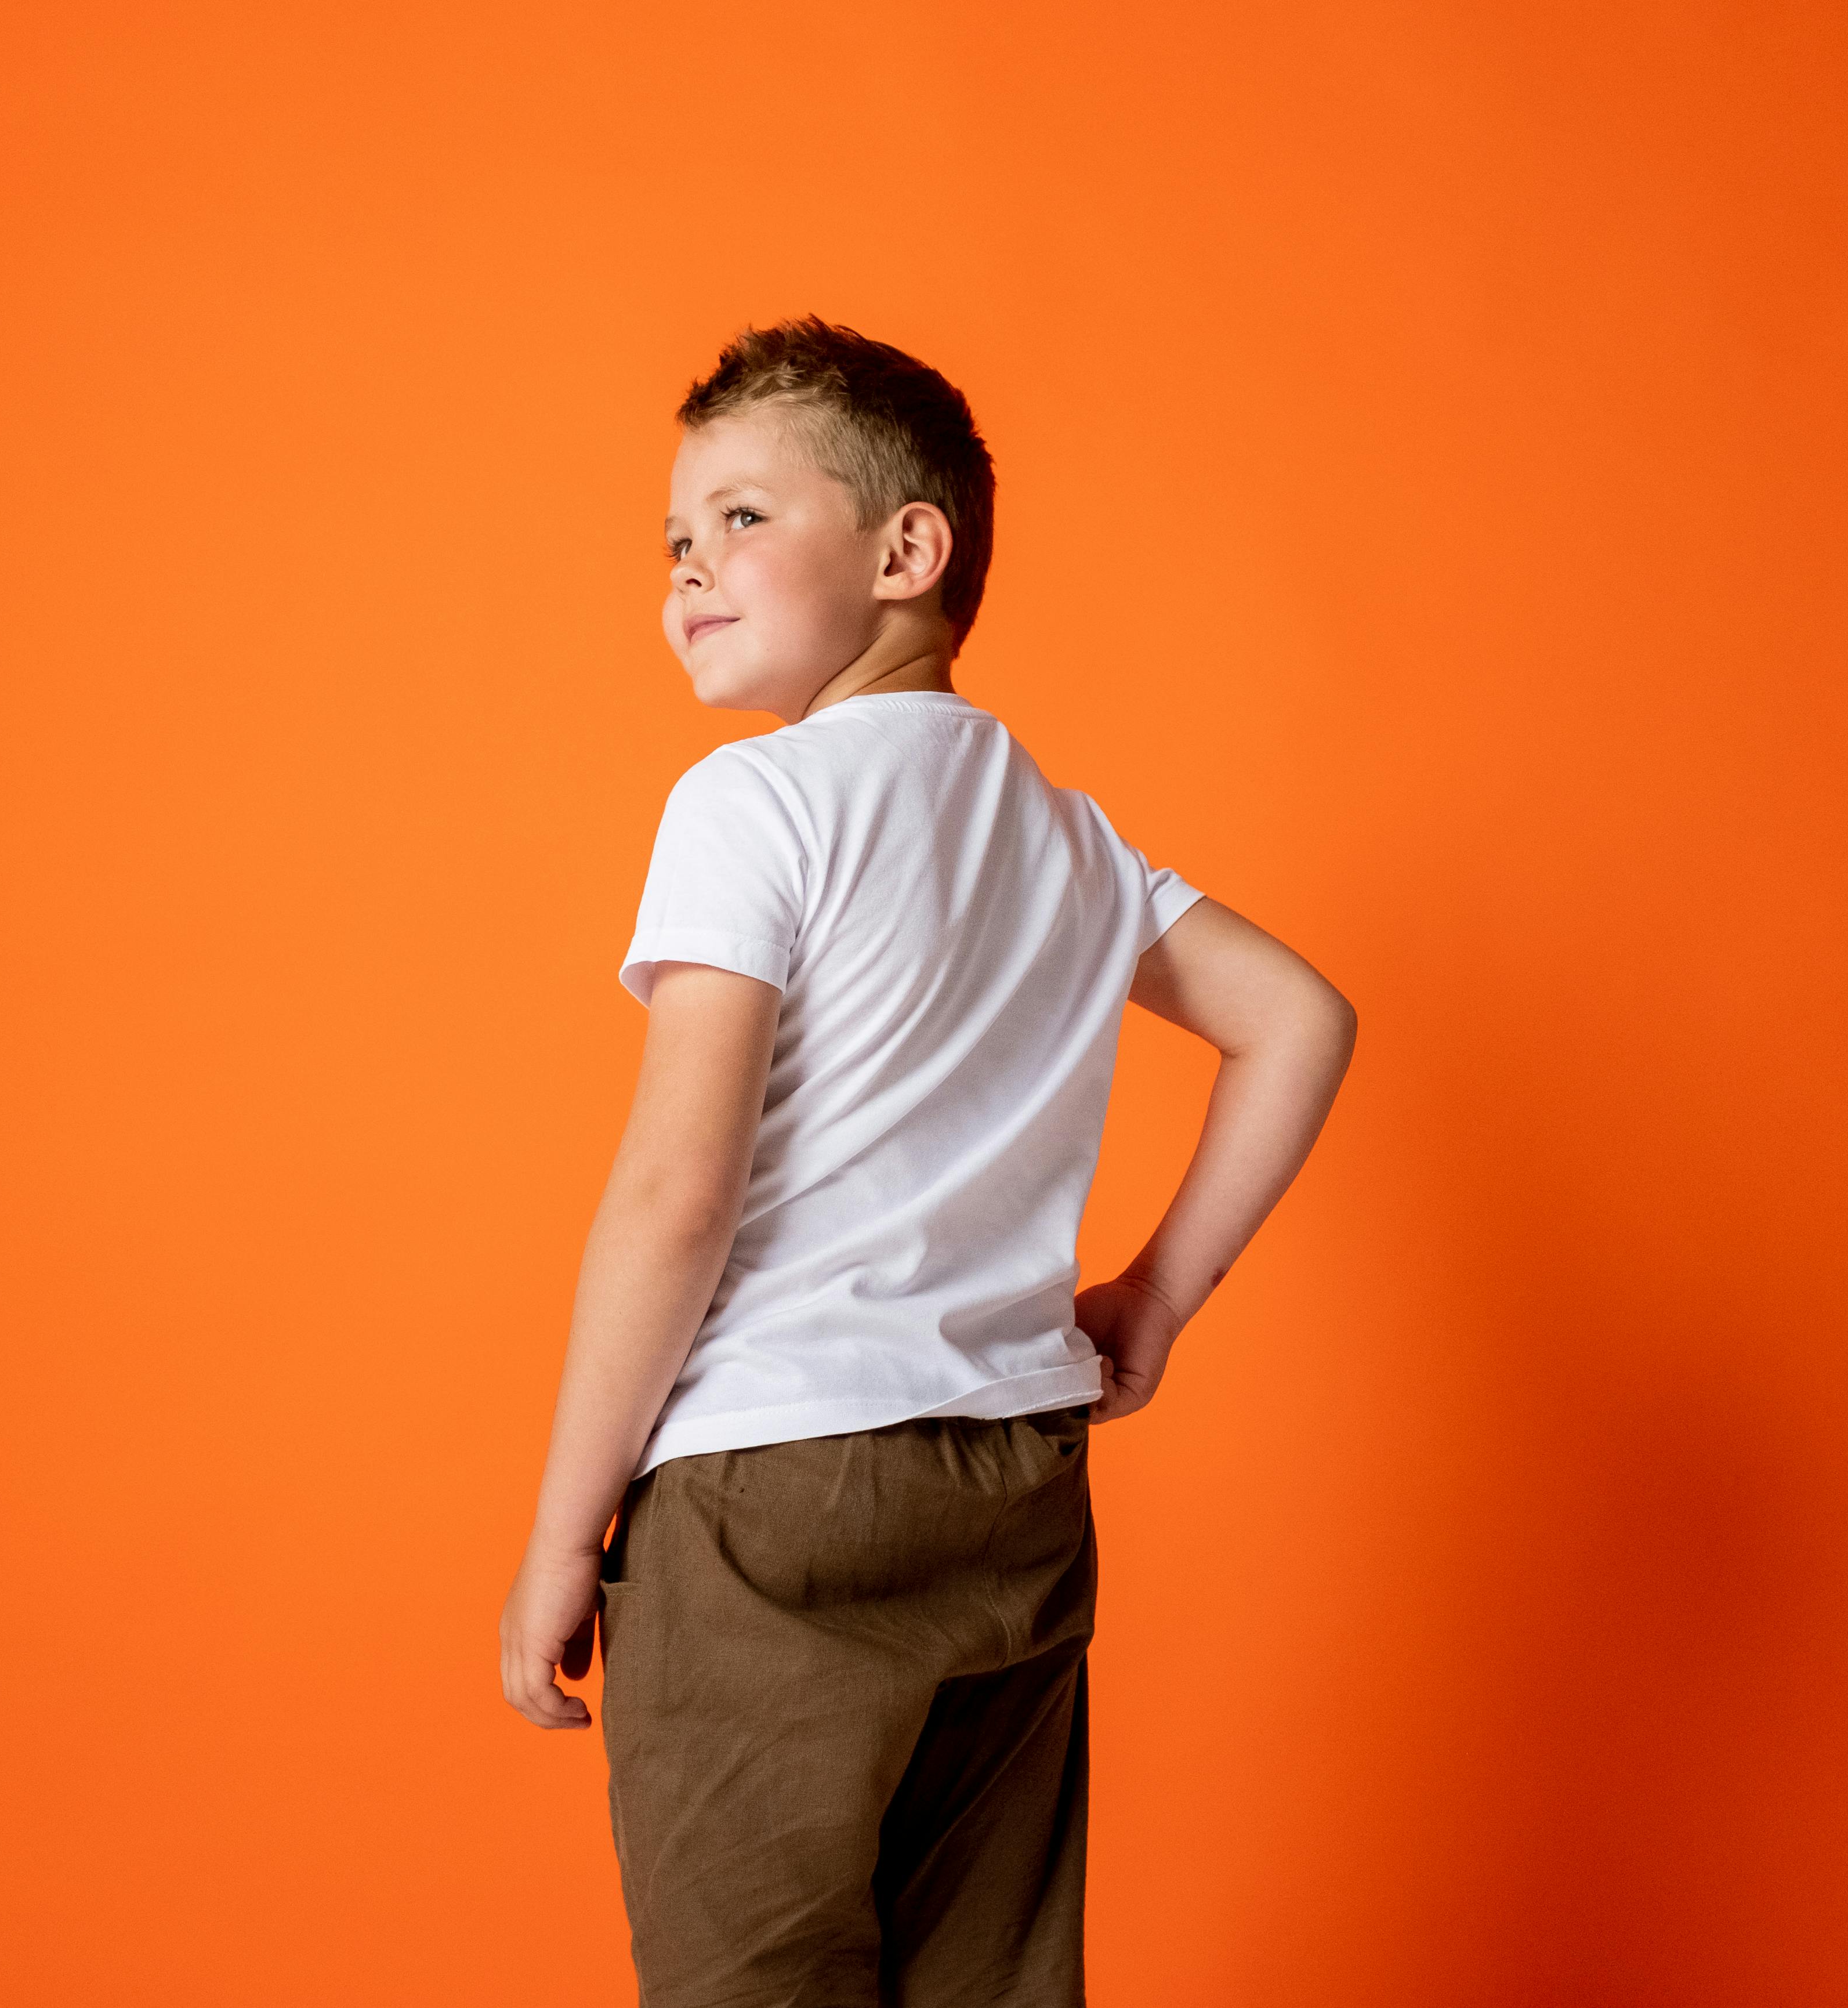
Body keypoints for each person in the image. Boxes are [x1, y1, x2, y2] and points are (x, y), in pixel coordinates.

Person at [497, 316, 1356, 2006]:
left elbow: (678, 1198)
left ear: (907, 549)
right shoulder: (1067, 835)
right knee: (987, 1981)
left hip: (766, 1496)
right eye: (675, 537)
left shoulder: (756, 803)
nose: (688, 566)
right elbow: (1301, 1019)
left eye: (743, 518)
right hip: (1010, 1481)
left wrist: (561, 1533)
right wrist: (1156, 1302)